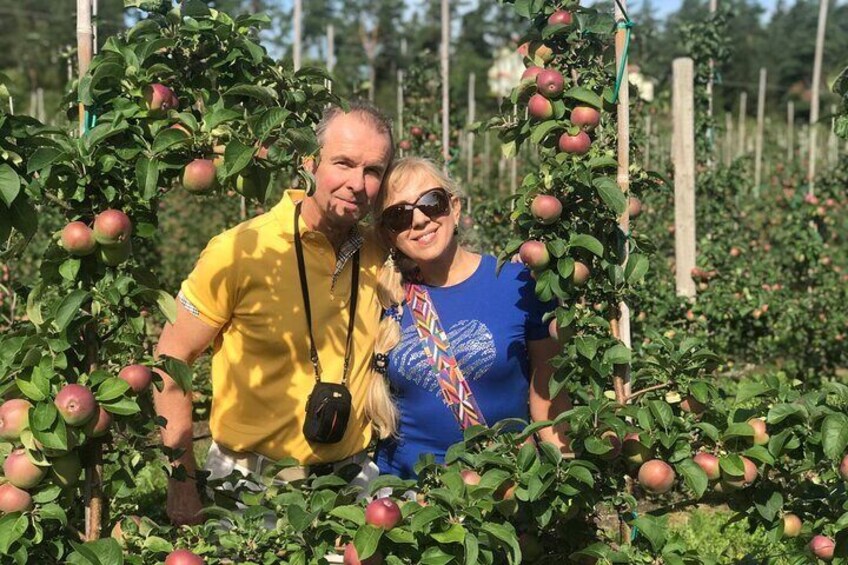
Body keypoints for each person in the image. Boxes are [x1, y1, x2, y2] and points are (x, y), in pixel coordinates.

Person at [153, 101, 394, 526]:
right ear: (309, 161)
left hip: (350, 486)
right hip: (248, 490)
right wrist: (182, 479)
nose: (357, 183)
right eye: (343, 163)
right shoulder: (239, 250)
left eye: (372, 171)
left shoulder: (380, 253)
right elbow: (170, 364)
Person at [366, 157, 571, 480]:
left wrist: (564, 474)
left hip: (502, 483)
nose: (419, 220)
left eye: (431, 203)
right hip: (408, 497)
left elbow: (548, 392)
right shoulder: (385, 297)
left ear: (455, 207)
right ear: (389, 235)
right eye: (399, 216)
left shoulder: (517, 285)